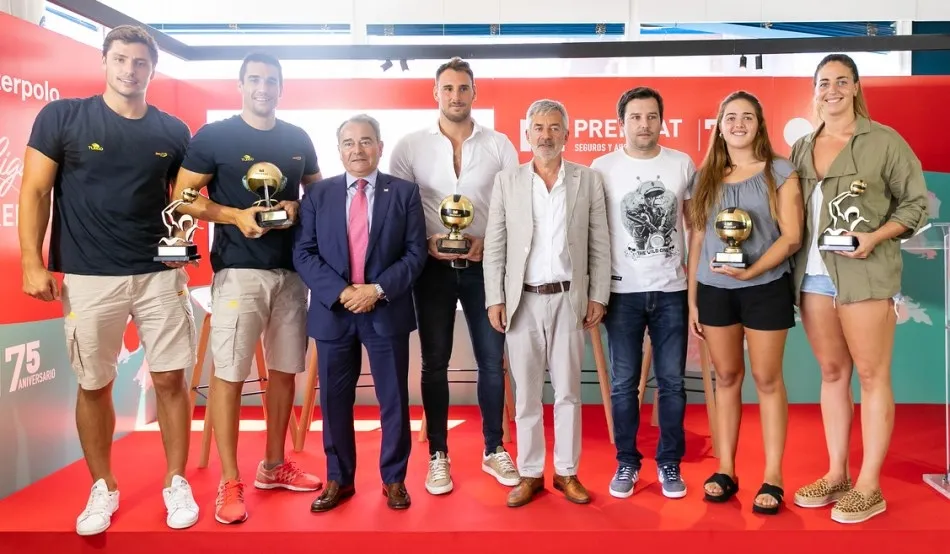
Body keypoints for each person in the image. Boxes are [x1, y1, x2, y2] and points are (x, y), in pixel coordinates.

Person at [18, 25, 199, 535]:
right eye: (120, 60)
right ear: (105, 61)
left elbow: (184, 202)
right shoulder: (63, 117)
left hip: (160, 274)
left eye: (140, 63)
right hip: (88, 274)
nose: (129, 70)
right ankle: (104, 487)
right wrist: (32, 262)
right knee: (94, 383)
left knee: (170, 379)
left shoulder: (172, 130)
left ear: (152, 70)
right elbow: (33, 192)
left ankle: (175, 481)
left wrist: (192, 236)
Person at [170, 52, 323, 525]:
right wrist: (234, 215)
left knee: (283, 371)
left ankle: (274, 465)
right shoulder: (214, 136)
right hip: (238, 271)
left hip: (292, 275)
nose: (263, 87)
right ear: (240, 85)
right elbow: (182, 198)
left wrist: (298, 209)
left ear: (281, 87)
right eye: (254, 79)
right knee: (230, 374)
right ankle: (229, 479)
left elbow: (315, 194)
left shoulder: (298, 139)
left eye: (271, 80)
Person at [788, 54, 929, 524]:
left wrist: (876, 236)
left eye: (840, 81)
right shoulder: (802, 147)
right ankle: (837, 474)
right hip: (812, 277)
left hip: (866, 276)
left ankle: (870, 485)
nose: (831, 90)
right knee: (831, 374)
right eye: (823, 82)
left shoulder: (884, 141)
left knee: (872, 376)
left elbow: (914, 204)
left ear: (854, 87)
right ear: (815, 89)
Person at [388, 57, 521, 494]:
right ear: (435, 93)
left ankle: (493, 449)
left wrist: (488, 242)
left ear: (475, 93)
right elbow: (401, 210)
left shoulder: (500, 145)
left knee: (491, 361)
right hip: (431, 270)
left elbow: (510, 208)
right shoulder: (409, 147)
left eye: (464, 88)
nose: (456, 96)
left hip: (486, 266)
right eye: (448, 88)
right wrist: (423, 241)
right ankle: (438, 455)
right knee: (434, 363)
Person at [294, 114, 427, 512]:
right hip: (335, 311)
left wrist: (377, 290)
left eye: (366, 141)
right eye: (349, 143)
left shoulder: (403, 193)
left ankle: (394, 479)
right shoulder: (318, 195)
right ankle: (339, 479)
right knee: (334, 401)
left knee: (393, 399)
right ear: (339, 151)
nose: (358, 150)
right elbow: (304, 252)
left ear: (380, 147)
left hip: (385, 308)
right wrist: (343, 292)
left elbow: (415, 253)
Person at [483, 99, 611, 508]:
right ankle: (531, 473)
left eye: (555, 127)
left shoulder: (587, 180)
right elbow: (496, 246)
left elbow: (599, 244)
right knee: (526, 395)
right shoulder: (508, 180)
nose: (546, 135)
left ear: (567, 135)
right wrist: (494, 298)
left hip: (570, 300)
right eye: (538, 127)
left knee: (570, 392)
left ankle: (567, 472)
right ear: (527, 134)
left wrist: (597, 295)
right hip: (523, 301)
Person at [686, 91, 803, 515]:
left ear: (759, 124)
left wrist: (753, 272)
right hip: (715, 291)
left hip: (766, 286)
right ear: (719, 125)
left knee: (768, 380)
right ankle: (726, 469)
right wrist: (694, 299)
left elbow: (792, 236)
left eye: (747, 117)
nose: (738, 124)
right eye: (730, 117)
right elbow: (698, 238)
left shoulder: (780, 172)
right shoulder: (705, 178)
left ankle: (773, 475)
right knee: (727, 378)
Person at [590, 87, 695, 499]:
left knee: (671, 384)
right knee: (623, 384)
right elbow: (595, 234)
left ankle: (670, 462)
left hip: (671, 290)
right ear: (622, 123)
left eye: (651, 116)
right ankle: (627, 462)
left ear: (661, 120)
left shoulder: (681, 164)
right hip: (622, 293)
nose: (644, 124)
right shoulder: (602, 168)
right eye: (635, 117)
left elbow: (694, 226)